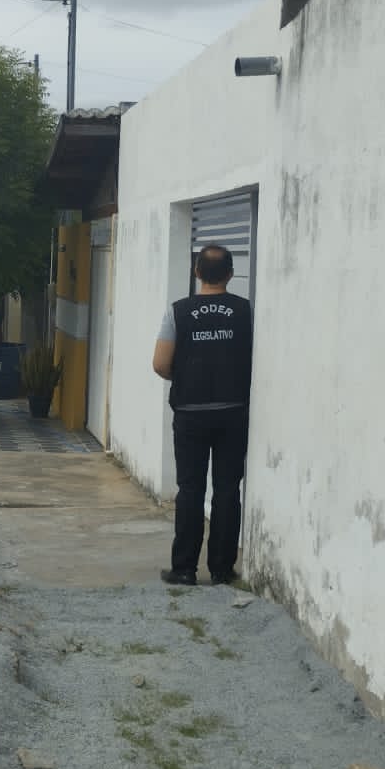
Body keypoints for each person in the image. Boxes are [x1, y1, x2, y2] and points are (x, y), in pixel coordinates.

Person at [152, 244, 254, 586]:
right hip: (233, 412)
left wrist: (184, 379)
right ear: (230, 273)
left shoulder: (177, 312)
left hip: (190, 413)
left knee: (190, 489)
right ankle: (223, 570)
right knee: (227, 489)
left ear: (197, 272)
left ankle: (183, 569)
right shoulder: (245, 312)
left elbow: (160, 364)